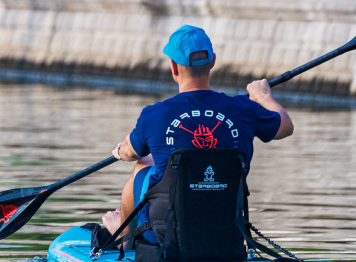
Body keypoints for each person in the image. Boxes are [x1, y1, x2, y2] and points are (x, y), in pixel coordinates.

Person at [102, 25, 294, 241]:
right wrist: (262, 96)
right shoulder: (244, 109)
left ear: (173, 67)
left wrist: (119, 151)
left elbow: (130, 152)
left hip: (166, 234)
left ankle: (123, 236)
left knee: (142, 165)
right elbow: (286, 126)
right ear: (213, 61)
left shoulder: (154, 115)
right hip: (226, 231)